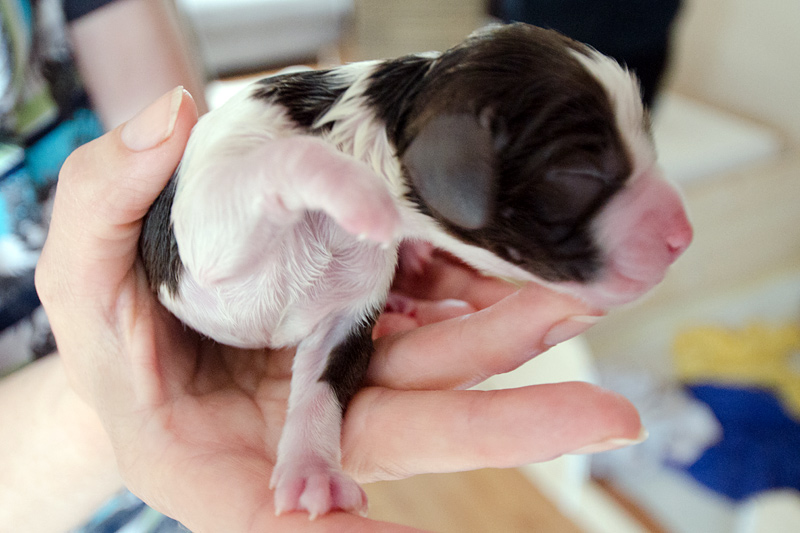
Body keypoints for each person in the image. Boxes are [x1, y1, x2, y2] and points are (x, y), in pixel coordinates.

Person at [2, 5, 644, 532]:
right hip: (59, 480)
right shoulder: (300, 129)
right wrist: (104, 394)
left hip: (198, 360)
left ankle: (307, 454)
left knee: (337, 341)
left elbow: (174, 138)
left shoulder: (382, 190)